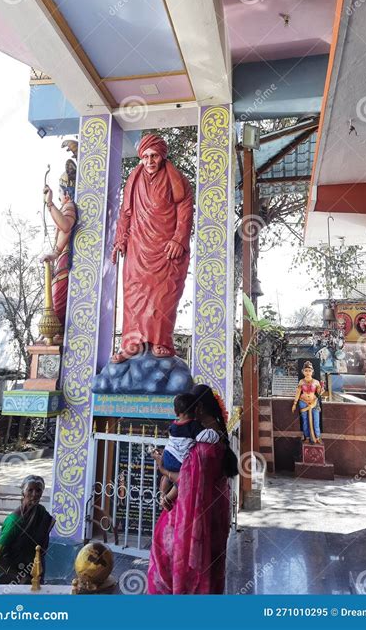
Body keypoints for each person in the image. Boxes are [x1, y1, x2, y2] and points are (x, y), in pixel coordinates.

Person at [148, 385, 238, 595]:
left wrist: (163, 471)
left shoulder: (203, 442)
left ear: (197, 409)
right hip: (213, 508)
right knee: (211, 565)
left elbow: (187, 479)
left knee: (177, 564)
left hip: (193, 511)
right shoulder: (214, 433)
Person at [111, 134, 193, 362]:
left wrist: (178, 240)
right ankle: (131, 343)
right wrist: (120, 239)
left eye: (154, 156)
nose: (149, 161)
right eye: (145, 156)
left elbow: (185, 209)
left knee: (163, 294)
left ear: (162, 156)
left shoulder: (177, 179)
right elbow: (125, 213)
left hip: (166, 248)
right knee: (134, 294)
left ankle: (161, 341)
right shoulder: (134, 178)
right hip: (138, 247)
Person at [41, 156, 77, 341]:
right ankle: (55, 334)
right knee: (54, 301)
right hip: (60, 262)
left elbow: (65, 225)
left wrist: (50, 203)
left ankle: (58, 333)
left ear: (67, 193)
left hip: (64, 262)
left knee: (58, 303)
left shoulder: (69, 205)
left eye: (61, 191)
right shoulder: (66, 206)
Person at [0, 475, 55, 585]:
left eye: (38, 490)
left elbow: (42, 544)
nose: (34, 494)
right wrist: (18, 576)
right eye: (30, 490)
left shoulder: (41, 512)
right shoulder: (14, 521)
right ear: (23, 492)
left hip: (35, 570)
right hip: (12, 575)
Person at [158, 393, 204, 500]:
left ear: (176, 412)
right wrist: (215, 435)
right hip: (178, 461)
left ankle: (162, 495)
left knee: (166, 476)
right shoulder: (194, 426)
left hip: (167, 457)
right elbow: (205, 437)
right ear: (196, 410)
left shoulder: (174, 425)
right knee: (182, 480)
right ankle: (168, 498)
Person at [292, 361, 324, 444]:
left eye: (309, 371)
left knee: (316, 420)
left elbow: (319, 393)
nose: (307, 372)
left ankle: (317, 437)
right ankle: (307, 436)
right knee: (305, 420)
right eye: (306, 370)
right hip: (303, 402)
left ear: (312, 371)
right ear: (303, 371)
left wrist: (321, 389)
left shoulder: (316, 382)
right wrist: (294, 404)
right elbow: (298, 393)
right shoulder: (301, 382)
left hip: (314, 402)